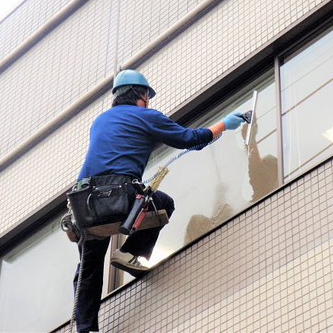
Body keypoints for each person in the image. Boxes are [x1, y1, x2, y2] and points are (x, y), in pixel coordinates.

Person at [73, 69, 245, 332]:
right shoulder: (146, 116)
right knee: (163, 203)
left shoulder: (100, 120)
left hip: (85, 204)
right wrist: (223, 124)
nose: (149, 101)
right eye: (147, 96)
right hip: (120, 195)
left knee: (88, 268)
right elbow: (191, 140)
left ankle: (86, 329)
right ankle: (130, 253)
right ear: (141, 95)